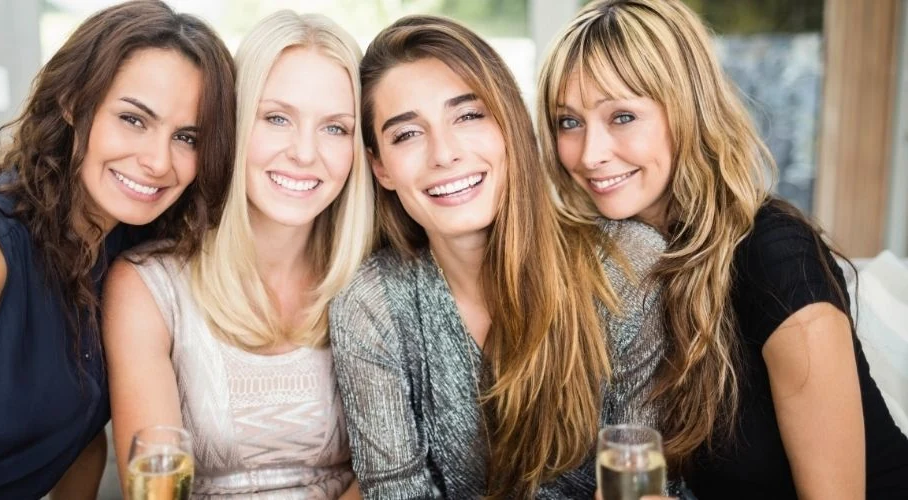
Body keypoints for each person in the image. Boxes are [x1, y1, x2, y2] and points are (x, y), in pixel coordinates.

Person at [536, 0, 908, 498]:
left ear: (686, 111)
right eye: (568, 122)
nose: (590, 154)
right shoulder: (608, 261)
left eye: (622, 116)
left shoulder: (773, 255)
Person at [0, 1, 236, 498]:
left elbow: (79, 433)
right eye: (133, 120)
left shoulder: (126, 244)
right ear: (73, 100)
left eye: (186, 137)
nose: (158, 161)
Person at [329, 15, 668, 499]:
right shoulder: (370, 305)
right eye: (407, 134)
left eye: (468, 116)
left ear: (510, 124)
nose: (444, 154)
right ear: (380, 166)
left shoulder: (627, 264)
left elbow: (639, 484)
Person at [102, 10, 373, 499]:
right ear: (232, 124)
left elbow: (388, 476)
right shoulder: (147, 286)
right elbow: (155, 488)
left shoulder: (373, 282)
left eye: (335, 128)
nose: (304, 153)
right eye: (276, 118)